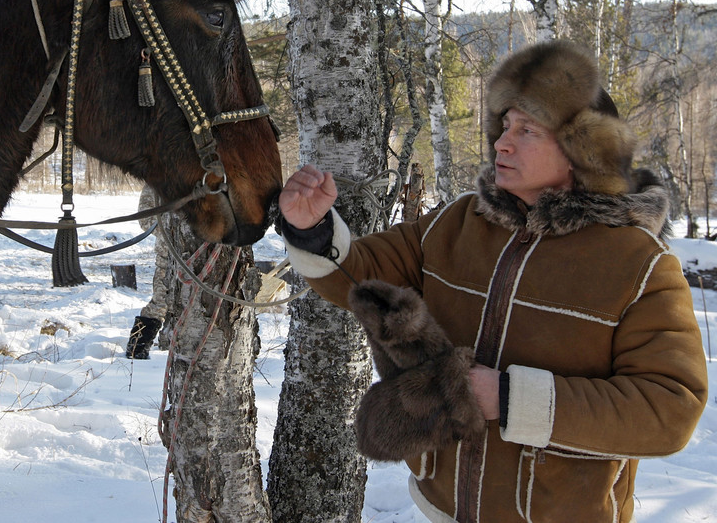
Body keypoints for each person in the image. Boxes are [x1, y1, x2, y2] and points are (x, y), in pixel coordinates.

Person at [278, 41, 708, 523]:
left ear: (581, 153)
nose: (503, 142)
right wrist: (312, 227)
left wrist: (509, 398)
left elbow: (670, 408)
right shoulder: (459, 221)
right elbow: (359, 278)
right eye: (505, 126)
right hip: (444, 506)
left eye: (528, 130)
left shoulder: (639, 264)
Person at [126, 184, 171, 359]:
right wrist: (171, 230)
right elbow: (145, 219)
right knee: (160, 304)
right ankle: (136, 351)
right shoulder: (157, 177)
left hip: (206, 256)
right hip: (168, 259)